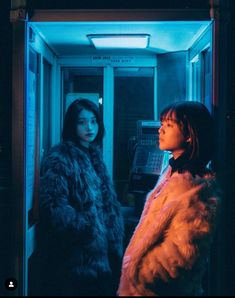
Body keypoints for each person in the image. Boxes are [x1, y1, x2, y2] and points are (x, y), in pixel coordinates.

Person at [118, 101, 221, 296]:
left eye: (169, 125)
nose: (160, 130)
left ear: (189, 135)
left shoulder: (196, 189)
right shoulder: (172, 172)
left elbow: (182, 257)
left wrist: (139, 272)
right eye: (161, 124)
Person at [38, 98, 124, 296]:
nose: (89, 127)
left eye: (94, 121)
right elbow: (53, 206)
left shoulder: (94, 155)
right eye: (82, 122)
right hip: (77, 258)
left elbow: (105, 202)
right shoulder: (60, 157)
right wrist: (88, 226)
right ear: (72, 124)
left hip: (104, 256)